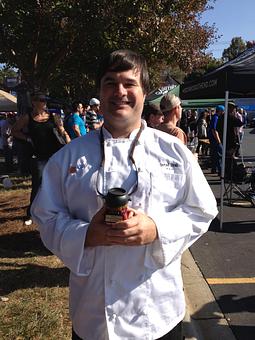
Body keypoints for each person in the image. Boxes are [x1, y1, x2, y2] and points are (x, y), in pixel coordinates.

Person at [31, 50, 218, 340]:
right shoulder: (67, 158)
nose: (120, 92)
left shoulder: (174, 153)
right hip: (92, 315)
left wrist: (157, 229)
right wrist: (85, 235)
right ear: (100, 92)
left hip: (157, 315)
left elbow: (201, 210)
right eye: (110, 83)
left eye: (129, 83)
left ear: (144, 93)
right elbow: (45, 217)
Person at [12, 91, 71, 225]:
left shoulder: (53, 116)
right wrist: (27, 138)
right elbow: (14, 130)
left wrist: (70, 143)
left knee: (60, 183)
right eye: (40, 100)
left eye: (45, 100)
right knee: (37, 184)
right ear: (33, 101)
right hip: (39, 156)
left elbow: (63, 132)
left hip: (57, 155)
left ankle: (58, 210)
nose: (43, 102)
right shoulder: (27, 117)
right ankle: (31, 214)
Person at [207, 105, 224, 175]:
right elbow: (214, 130)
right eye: (223, 111)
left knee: (214, 155)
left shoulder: (214, 117)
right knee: (219, 155)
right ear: (220, 111)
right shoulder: (216, 118)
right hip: (215, 140)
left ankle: (214, 169)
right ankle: (220, 171)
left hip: (212, 139)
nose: (223, 113)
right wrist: (219, 141)